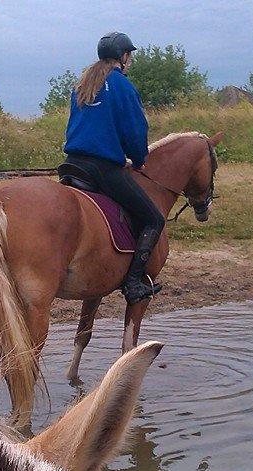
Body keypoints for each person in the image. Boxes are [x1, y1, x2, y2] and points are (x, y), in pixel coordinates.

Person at [60, 32, 165, 304]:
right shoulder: (122, 86)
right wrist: (138, 159)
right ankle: (133, 282)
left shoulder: (82, 84)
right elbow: (135, 130)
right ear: (124, 56)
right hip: (102, 169)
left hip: (72, 165)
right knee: (153, 219)